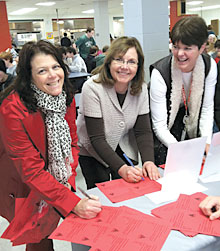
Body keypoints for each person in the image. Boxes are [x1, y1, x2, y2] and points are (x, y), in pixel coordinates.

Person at [0, 40, 102, 250]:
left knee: (80, 225)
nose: (53, 75)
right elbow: (30, 171)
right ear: (29, 77)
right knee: (39, 239)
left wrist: (66, 180)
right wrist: (70, 201)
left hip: (54, 179)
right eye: (42, 71)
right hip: (21, 184)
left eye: (56, 67)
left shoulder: (65, 97)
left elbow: (73, 143)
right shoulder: (12, 109)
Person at [77, 36, 161, 189]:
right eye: (119, 60)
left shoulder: (140, 89)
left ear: (138, 66)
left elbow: (143, 131)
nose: (125, 66)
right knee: (102, 196)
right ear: (109, 62)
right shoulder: (92, 87)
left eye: (131, 62)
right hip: (93, 152)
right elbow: (96, 138)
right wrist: (122, 169)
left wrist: (149, 161)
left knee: (128, 191)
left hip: (124, 147)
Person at [149, 16, 217, 166]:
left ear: (202, 47)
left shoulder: (209, 66)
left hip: (193, 121)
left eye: (187, 48)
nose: (180, 54)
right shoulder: (160, 73)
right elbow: (159, 126)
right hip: (166, 129)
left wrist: (205, 142)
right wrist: (182, 151)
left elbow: (206, 108)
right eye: (175, 46)